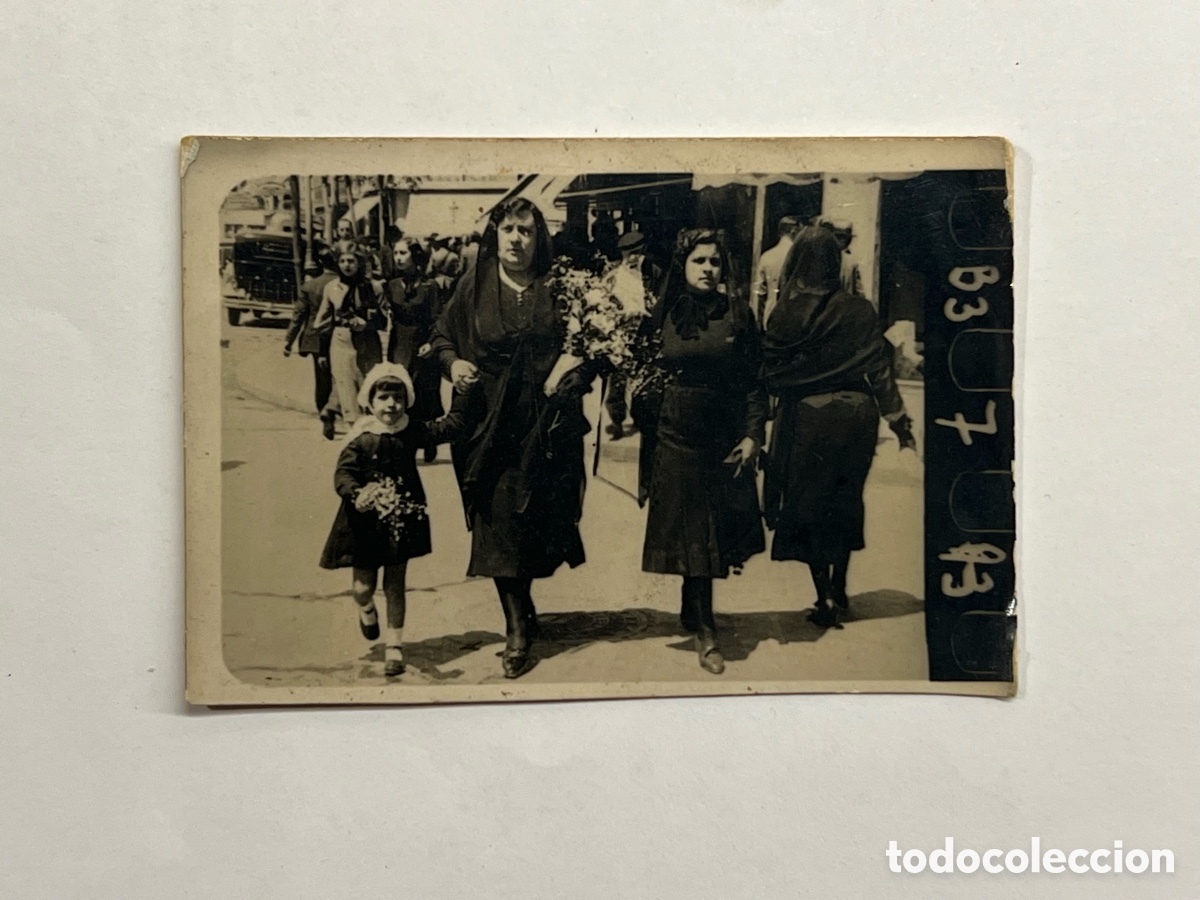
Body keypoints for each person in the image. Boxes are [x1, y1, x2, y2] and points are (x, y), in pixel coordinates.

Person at [429, 197, 596, 679]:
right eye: (509, 230)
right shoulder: (473, 286)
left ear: (538, 235)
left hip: (547, 426)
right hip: (489, 426)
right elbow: (442, 338)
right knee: (497, 522)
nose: (517, 239)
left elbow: (592, 346)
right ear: (495, 235)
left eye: (526, 230)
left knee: (538, 522)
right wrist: (454, 363)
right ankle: (517, 626)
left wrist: (576, 377)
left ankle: (524, 606)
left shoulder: (559, 287)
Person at [760, 225, 917, 628]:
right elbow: (881, 375)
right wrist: (901, 426)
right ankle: (842, 586)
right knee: (845, 501)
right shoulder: (861, 311)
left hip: (807, 420)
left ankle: (823, 596)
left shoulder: (785, 314)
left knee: (809, 506)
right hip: (857, 417)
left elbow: (770, 373)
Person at [637, 228, 767, 674]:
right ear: (683, 265)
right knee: (694, 533)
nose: (708, 269)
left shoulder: (739, 314)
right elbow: (640, 371)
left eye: (714, 262)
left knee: (708, 533)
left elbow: (753, 380)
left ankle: (696, 612)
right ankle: (705, 628)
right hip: (674, 436)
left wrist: (753, 434)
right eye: (699, 261)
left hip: (721, 437)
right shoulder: (662, 314)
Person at [319, 364, 464, 677]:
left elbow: (447, 427)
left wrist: (464, 392)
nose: (391, 405)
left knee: (396, 584)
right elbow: (343, 473)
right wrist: (355, 493)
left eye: (398, 397)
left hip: (401, 518)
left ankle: (394, 645)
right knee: (362, 586)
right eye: (384, 397)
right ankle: (366, 609)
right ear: (370, 401)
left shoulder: (411, 430)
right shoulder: (361, 437)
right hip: (364, 521)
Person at [313, 241, 386, 430]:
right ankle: (353, 430)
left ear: (359, 262)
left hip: (368, 342)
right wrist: (322, 349)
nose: (347, 265)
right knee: (345, 386)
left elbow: (385, 321)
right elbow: (321, 321)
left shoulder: (374, 287)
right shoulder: (332, 288)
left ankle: (368, 427)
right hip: (341, 341)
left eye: (351, 261)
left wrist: (368, 324)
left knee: (368, 383)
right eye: (343, 261)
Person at [385, 237, 445, 461]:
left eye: (403, 253)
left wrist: (431, 343)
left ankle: (428, 439)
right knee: (401, 388)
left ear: (415, 256)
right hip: (399, 343)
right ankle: (402, 443)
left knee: (424, 393)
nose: (398, 258)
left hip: (423, 344)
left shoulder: (430, 287)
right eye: (396, 253)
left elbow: (438, 319)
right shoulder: (391, 286)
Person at [604, 231, 664, 439]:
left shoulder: (653, 272)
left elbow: (659, 301)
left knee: (642, 380)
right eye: (629, 254)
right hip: (620, 336)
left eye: (637, 253)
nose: (633, 258)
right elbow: (604, 305)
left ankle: (641, 418)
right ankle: (617, 420)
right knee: (618, 381)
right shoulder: (612, 275)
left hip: (644, 334)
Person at [284, 246, 341, 436]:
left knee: (322, 379)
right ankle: (332, 410)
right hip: (338, 336)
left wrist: (288, 341)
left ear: (319, 263)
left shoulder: (309, 287)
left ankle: (324, 413)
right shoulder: (342, 284)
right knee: (340, 376)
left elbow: (298, 316)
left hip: (315, 338)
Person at [755, 215, 802, 326]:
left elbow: (760, 291)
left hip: (771, 316)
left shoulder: (766, 256)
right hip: (793, 320)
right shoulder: (800, 256)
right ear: (793, 231)